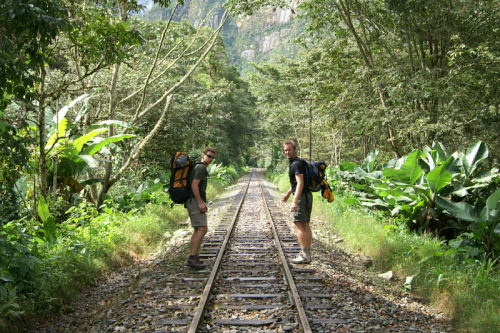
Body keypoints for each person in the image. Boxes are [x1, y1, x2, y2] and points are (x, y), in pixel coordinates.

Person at [281, 140, 313, 264]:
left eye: (289, 149)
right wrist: (288, 193)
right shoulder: (299, 162)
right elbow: (296, 183)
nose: (287, 152)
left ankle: (305, 255)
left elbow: (300, 183)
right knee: (305, 225)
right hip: (306, 196)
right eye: (285, 150)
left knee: (298, 224)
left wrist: (294, 201)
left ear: (295, 150)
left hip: (302, 197)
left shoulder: (296, 164)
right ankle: (307, 253)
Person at [186, 147, 216, 269]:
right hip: (194, 200)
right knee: (203, 229)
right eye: (208, 156)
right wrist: (200, 203)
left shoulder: (199, 166)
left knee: (197, 229)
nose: (210, 159)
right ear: (203, 154)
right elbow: (194, 185)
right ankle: (192, 258)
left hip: (192, 200)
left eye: (212, 158)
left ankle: (193, 256)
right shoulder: (201, 167)